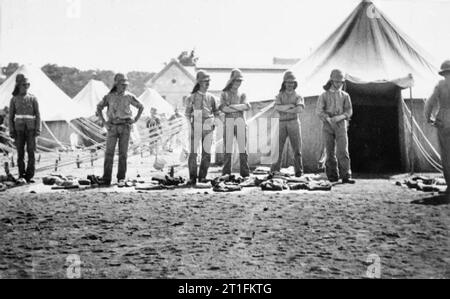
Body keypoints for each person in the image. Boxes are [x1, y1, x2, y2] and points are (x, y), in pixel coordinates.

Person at [97, 73, 144, 186]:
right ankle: (106, 178)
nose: (124, 86)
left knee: (123, 154)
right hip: (112, 127)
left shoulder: (129, 96)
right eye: (122, 84)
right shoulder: (109, 96)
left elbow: (141, 106)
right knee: (109, 153)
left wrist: (135, 119)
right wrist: (104, 123)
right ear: (116, 84)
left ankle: (121, 178)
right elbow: (99, 107)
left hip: (125, 126)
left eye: (125, 84)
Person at [316, 69, 355, 184]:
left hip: (341, 124)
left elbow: (349, 110)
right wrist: (328, 118)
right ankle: (332, 175)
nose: (339, 85)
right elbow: (319, 110)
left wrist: (340, 117)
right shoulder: (324, 95)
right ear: (331, 81)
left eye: (341, 82)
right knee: (329, 150)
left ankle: (346, 175)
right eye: (336, 82)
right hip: (328, 124)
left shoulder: (345, 96)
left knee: (343, 150)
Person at [185, 70, 220, 185]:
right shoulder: (192, 97)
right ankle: (192, 177)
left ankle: (202, 177)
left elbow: (216, 113)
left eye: (208, 81)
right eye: (205, 81)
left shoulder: (212, 98)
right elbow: (187, 114)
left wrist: (215, 122)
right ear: (199, 82)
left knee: (207, 153)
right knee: (193, 153)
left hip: (208, 125)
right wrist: (190, 127)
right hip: (196, 124)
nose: (207, 83)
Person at [271, 71, 305, 177]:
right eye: (288, 82)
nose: (290, 85)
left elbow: (299, 109)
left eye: (292, 82)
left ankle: (299, 171)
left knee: (297, 148)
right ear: (284, 83)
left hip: (294, 122)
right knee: (278, 148)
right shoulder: (280, 95)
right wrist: (291, 106)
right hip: (281, 123)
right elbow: (277, 107)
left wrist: (285, 109)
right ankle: (275, 170)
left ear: (295, 84)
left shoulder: (298, 96)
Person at [9, 74, 41, 183]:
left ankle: (30, 175)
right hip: (19, 130)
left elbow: (38, 114)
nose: (26, 86)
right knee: (20, 153)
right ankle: (21, 175)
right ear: (18, 86)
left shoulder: (33, 98)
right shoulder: (14, 99)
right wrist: (11, 130)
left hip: (31, 129)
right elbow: (10, 117)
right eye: (24, 84)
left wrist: (38, 129)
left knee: (31, 152)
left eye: (28, 84)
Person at [219, 69, 251, 178]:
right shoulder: (224, 94)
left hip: (241, 122)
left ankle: (245, 173)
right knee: (228, 149)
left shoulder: (242, 94)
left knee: (243, 149)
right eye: (236, 80)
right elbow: (223, 108)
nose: (238, 83)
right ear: (231, 80)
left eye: (240, 81)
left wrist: (231, 106)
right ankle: (226, 173)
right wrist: (238, 107)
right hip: (229, 122)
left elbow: (247, 106)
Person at [425, 60, 450, 194]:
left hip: (444, 121)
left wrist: (428, 117)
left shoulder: (440, 85)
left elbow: (430, 103)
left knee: (446, 155)